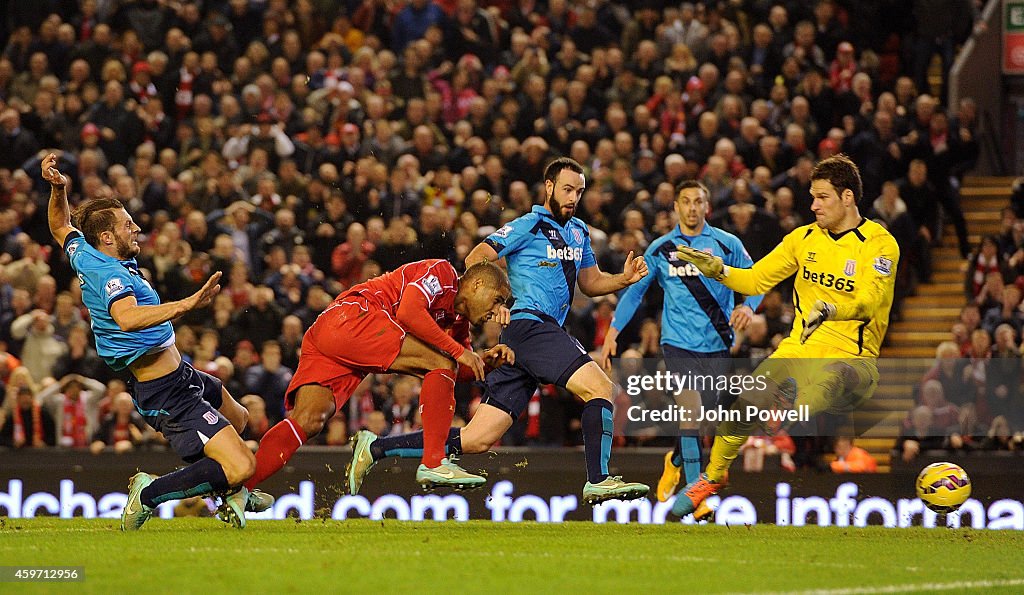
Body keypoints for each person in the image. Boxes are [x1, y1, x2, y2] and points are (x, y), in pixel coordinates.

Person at [349, 157, 652, 504]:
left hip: (529, 338)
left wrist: (623, 280)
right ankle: (599, 480)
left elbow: (591, 282)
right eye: (567, 189)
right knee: (599, 387)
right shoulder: (528, 225)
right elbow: (476, 257)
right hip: (530, 326)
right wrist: (498, 301)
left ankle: (376, 447)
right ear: (549, 187)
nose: (573, 198)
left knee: (477, 438)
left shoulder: (579, 232)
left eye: (579, 192)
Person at [41, 154, 268, 531]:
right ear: (108, 237)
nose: (137, 229)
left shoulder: (86, 251)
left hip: (181, 374)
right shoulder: (110, 273)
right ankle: (148, 494)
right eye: (128, 225)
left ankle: (228, 489)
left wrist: (58, 188)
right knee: (243, 464)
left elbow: (59, 224)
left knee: (240, 418)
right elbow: (127, 318)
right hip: (164, 392)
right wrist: (186, 304)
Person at [672, 154, 899, 518]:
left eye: (822, 197)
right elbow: (755, 280)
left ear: (848, 198)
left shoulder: (879, 244)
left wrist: (832, 310)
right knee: (737, 414)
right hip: (798, 350)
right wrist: (718, 270)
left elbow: (871, 302)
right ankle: (712, 477)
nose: (813, 205)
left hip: (853, 358)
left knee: (827, 383)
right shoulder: (803, 239)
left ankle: (786, 403)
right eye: (812, 196)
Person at [241, 258, 515, 493]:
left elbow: (455, 372)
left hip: (333, 334)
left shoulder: (457, 323)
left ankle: (241, 488)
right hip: (354, 317)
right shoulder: (443, 274)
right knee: (441, 360)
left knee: (309, 419)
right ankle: (434, 462)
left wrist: (486, 361)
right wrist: (458, 352)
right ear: (477, 285)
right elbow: (409, 311)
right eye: (497, 299)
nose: (497, 310)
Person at [600, 180, 762, 507]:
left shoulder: (727, 244)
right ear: (675, 206)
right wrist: (613, 330)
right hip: (677, 344)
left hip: (717, 344)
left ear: (707, 206)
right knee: (690, 415)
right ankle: (695, 496)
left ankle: (675, 460)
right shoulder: (661, 248)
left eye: (698, 201)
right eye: (685, 201)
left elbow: (757, 279)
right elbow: (636, 291)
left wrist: (748, 306)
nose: (691, 207)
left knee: (702, 422)